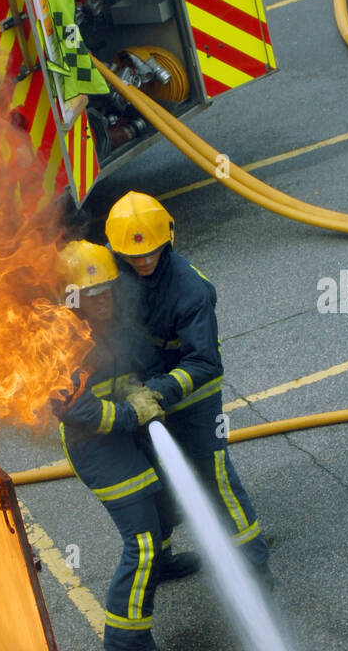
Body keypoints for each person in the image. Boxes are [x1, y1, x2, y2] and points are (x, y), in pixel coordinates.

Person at [104, 191, 273, 586]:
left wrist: (156, 391)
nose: (144, 261)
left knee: (215, 476)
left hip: (192, 398)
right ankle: (159, 560)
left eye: (153, 252)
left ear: (169, 240)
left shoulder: (189, 289)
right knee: (152, 481)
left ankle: (253, 562)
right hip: (141, 393)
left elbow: (204, 363)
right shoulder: (112, 268)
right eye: (133, 255)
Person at [51, 240, 199, 651]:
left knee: (165, 504)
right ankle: (129, 647)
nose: (102, 300)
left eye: (108, 289)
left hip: (125, 431)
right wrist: (132, 411)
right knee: (142, 541)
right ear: (71, 298)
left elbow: (126, 366)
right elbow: (73, 409)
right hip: (96, 449)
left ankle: (163, 563)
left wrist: (136, 384)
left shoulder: (114, 323)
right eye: (90, 294)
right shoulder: (61, 341)